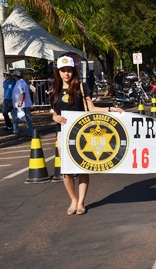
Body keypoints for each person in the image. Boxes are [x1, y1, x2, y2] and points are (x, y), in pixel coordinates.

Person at [51, 55, 124, 216]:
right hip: (62, 134)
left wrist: (112, 109)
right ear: (58, 72)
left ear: (73, 71)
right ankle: (73, 200)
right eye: (63, 71)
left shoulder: (81, 87)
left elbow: (91, 108)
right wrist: (55, 117)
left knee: (82, 168)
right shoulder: (54, 89)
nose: (66, 74)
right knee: (66, 171)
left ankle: (81, 202)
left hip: (81, 134)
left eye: (69, 70)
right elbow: (54, 112)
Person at [11, 70, 33, 137]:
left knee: (27, 118)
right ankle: (16, 131)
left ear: (15, 76)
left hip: (23, 105)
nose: (12, 76)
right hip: (19, 105)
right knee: (16, 118)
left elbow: (22, 93)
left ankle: (29, 132)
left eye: (13, 75)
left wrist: (21, 102)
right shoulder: (19, 82)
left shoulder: (21, 83)